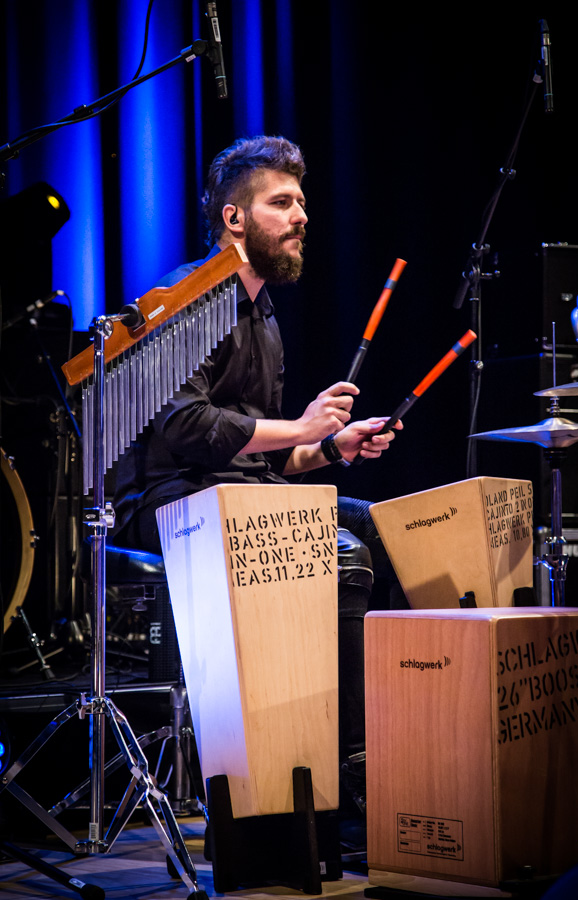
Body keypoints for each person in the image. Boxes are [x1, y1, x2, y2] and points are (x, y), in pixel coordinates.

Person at [112, 135, 400, 838]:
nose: (301, 216)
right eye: (282, 202)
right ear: (234, 218)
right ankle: (344, 781)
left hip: (233, 496)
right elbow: (185, 427)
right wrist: (300, 426)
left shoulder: (262, 312)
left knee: (387, 529)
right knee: (343, 555)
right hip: (168, 505)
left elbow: (258, 462)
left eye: (301, 202)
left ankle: (374, 749)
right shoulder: (190, 298)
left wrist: (328, 446)